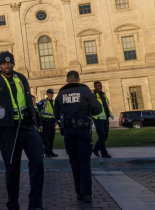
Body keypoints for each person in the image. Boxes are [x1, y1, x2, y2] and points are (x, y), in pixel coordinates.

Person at [0, 52, 44, 210]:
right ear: (0, 65)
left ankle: (35, 204)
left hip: (28, 127)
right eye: (4, 63)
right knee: (12, 167)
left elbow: (29, 102)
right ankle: (13, 204)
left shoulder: (21, 78)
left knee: (38, 163)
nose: (7, 66)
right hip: (9, 130)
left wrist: (36, 122)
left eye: (9, 63)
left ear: (13, 63)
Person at [54, 71, 102, 203]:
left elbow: (55, 113)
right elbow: (99, 109)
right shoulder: (85, 91)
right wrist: (87, 112)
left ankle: (79, 192)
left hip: (69, 130)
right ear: (79, 79)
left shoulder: (61, 94)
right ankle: (86, 193)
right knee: (84, 161)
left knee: (74, 161)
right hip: (83, 129)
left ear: (67, 80)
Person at [92, 81, 114, 158]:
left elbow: (106, 106)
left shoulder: (103, 94)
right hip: (98, 119)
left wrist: (109, 114)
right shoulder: (93, 96)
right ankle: (104, 153)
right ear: (94, 87)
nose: (99, 87)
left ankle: (95, 149)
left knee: (106, 136)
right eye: (97, 86)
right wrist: (93, 116)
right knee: (102, 136)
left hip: (105, 117)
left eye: (100, 86)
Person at [37, 89, 57, 158]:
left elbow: (55, 113)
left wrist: (55, 121)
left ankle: (50, 151)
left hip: (52, 122)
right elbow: (38, 112)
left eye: (52, 93)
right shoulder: (43, 102)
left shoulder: (54, 102)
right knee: (46, 138)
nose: (51, 95)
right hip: (45, 122)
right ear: (47, 94)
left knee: (52, 138)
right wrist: (40, 123)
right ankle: (46, 152)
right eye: (50, 93)